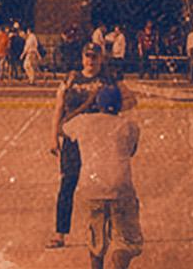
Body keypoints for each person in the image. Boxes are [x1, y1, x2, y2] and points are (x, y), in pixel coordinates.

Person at [61, 83, 143, 269]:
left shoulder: (83, 122)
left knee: (96, 240)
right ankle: (118, 261)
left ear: (98, 103)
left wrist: (87, 103)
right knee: (127, 240)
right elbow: (131, 151)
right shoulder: (129, 126)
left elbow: (62, 126)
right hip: (120, 186)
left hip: (92, 186)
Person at [50, 42, 123, 250]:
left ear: (101, 59)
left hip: (97, 142)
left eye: (94, 56)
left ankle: (106, 232)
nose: (90, 60)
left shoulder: (107, 80)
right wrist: (53, 137)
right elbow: (58, 108)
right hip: (72, 141)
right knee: (67, 185)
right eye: (87, 56)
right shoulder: (71, 78)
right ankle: (60, 233)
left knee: (103, 187)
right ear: (82, 57)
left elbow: (127, 102)